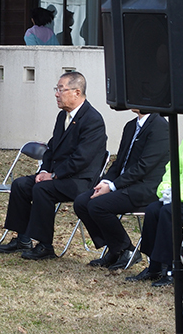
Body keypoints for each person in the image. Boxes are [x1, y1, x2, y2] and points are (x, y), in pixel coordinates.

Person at [0, 71, 107, 260]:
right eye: (56, 89)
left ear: (76, 92)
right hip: (58, 176)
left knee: (43, 189)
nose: (56, 94)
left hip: (80, 181)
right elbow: (51, 148)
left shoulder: (93, 120)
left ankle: (45, 245)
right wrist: (45, 170)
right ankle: (22, 238)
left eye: (61, 89)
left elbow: (81, 159)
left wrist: (53, 176)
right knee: (21, 185)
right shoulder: (62, 117)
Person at [73, 110, 169, 270]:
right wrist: (106, 181)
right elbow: (120, 162)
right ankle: (117, 248)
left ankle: (126, 250)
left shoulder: (160, 126)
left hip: (145, 188)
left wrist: (112, 186)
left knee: (97, 206)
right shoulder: (131, 126)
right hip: (123, 185)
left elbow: (144, 167)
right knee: (82, 202)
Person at [125, 127, 183, 287]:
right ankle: (154, 266)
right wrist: (166, 187)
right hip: (181, 195)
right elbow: (174, 166)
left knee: (168, 213)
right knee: (153, 210)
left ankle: (173, 269)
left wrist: (178, 192)